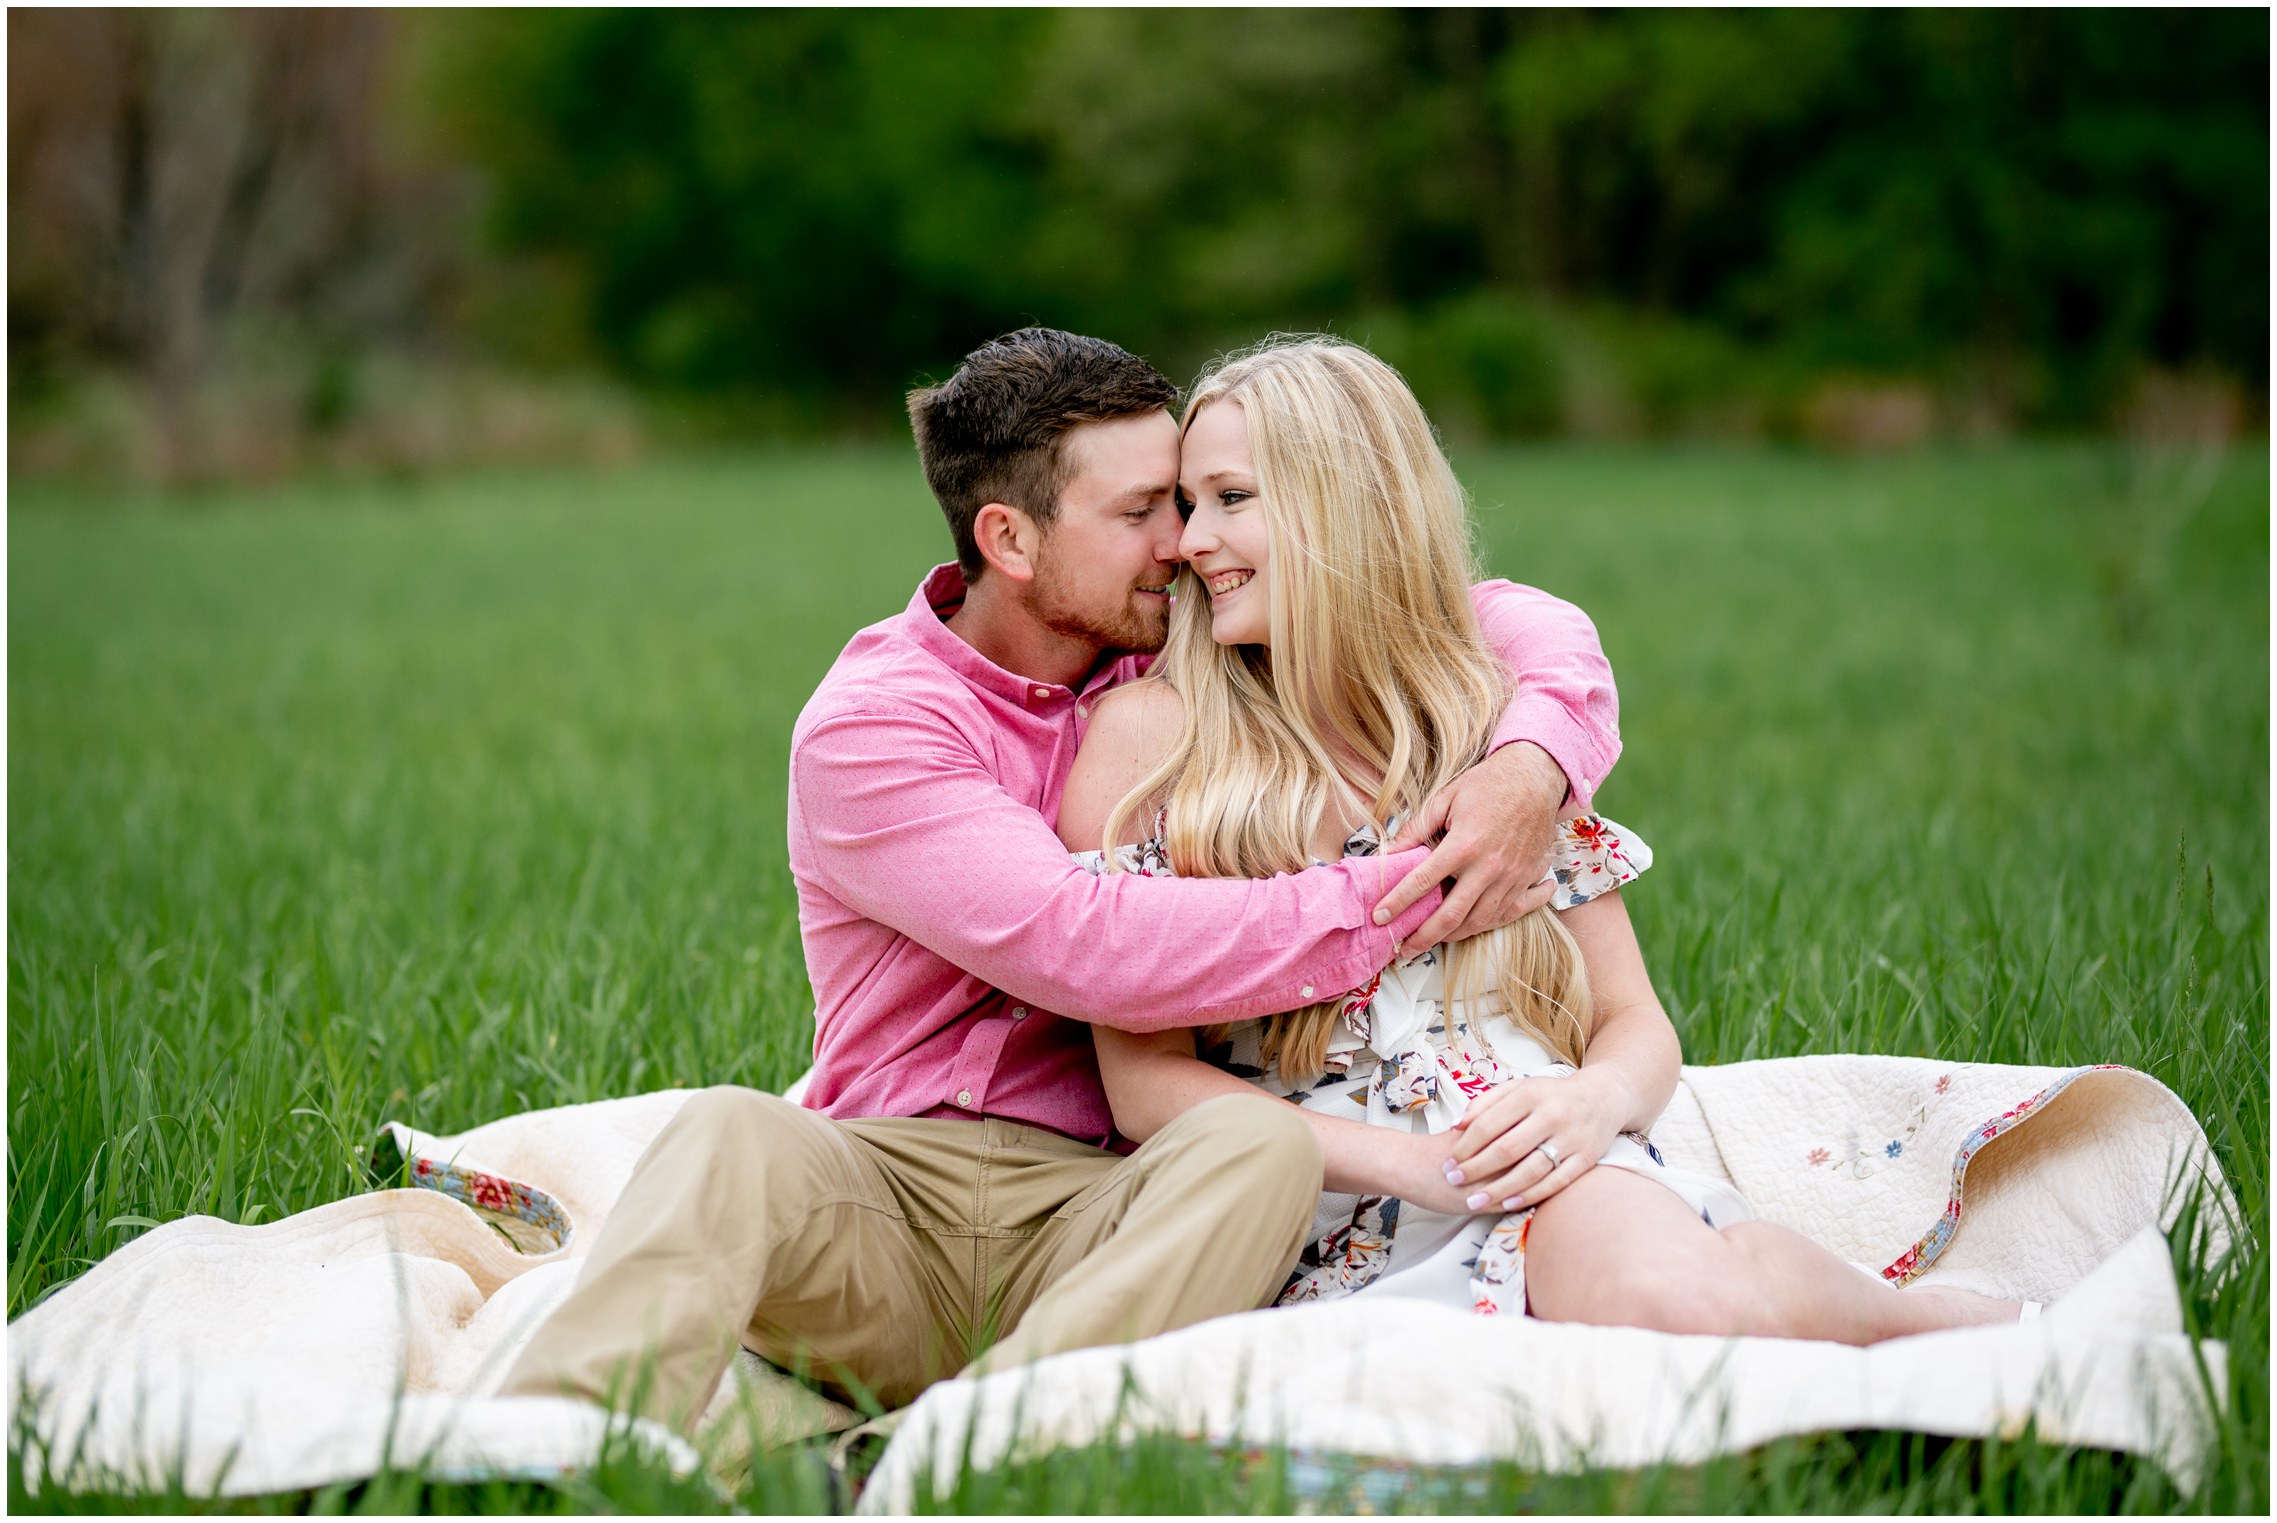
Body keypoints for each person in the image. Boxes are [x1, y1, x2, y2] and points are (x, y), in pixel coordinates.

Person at [498, 328, 1630, 1432]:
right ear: (1012, 538)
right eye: (1142, 513)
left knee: (1262, 1145)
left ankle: (958, 1449)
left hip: (1119, 1202)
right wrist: (1413, 888)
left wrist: (1533, 761)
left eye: (1186, 503)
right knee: (730, 1132)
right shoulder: (877, 725)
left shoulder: (1179, 653)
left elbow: (1494, 616)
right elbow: (1090, 944)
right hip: (895, 1197)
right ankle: (534, 1454)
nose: (1182, 543)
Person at [1057, 336, 2021, 1339]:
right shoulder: (1149, 746)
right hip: (1313, 1203)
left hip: (1548, 1155)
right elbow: (1141, 1084)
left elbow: (1633, 1018)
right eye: (1186, 503)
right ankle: (1841, 1309)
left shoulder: (1498, 732)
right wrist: (1412, 1166)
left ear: (1345, 505)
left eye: (1231, 498)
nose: (1187, 541)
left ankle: (1938, 1327)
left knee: (1675, 1307)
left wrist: (1594, 1102)